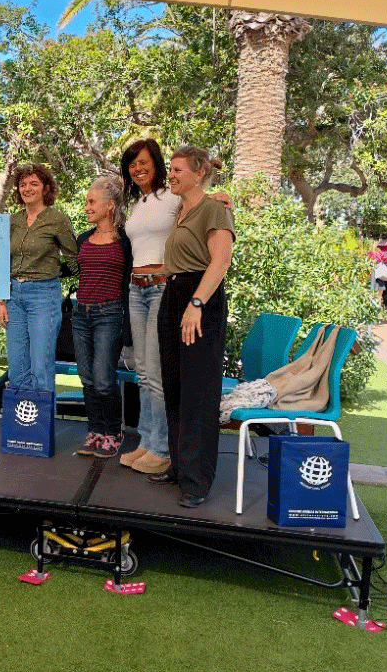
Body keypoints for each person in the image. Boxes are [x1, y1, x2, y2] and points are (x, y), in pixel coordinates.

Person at [118, 138, 231, 476]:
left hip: (161, 288)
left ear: (156, 164)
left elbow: (202, 206)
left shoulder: (173, 196)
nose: (137, 168)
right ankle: (147, 441)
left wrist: (221, 197)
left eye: (144, 162)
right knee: (143, 373)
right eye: (132, 164)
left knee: (156, 374)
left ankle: (162, 448)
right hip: (137, 289)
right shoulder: (137, 204)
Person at [152, 146, 234, 509]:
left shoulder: (214, 208)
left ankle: (197, 481)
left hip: (200, 297)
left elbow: (221, 261)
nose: (170, 175)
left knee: (199, 391)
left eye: (177, 170)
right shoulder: (181, 210)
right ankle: (180, 466)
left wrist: (196, 304)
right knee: (175, 385)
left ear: (198, 173)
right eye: (170, 170)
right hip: (173, 294)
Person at [0, 163, 78, 392]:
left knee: (41, 368)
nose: (27, 189)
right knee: (17, 369)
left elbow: (74, 259)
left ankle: (43, 416)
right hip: (13, 297)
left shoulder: (58, 220)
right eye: (23, 184)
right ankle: (22, 415)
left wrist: (90, 288)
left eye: (34, 184)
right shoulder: (13, 221)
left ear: (45, 188)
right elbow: (2, 261)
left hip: (44, 296)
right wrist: (0, 301)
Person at [72, 177, 133, 458]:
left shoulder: (125, 241)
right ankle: (95, 431)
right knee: (86, 377)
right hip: (81, 314)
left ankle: (112, 432)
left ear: (109, 206)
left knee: (103, 378)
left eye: (91, 201)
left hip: (109, 314)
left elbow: (129, 282)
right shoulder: (83, 239)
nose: (87, 207)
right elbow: (72, 269)